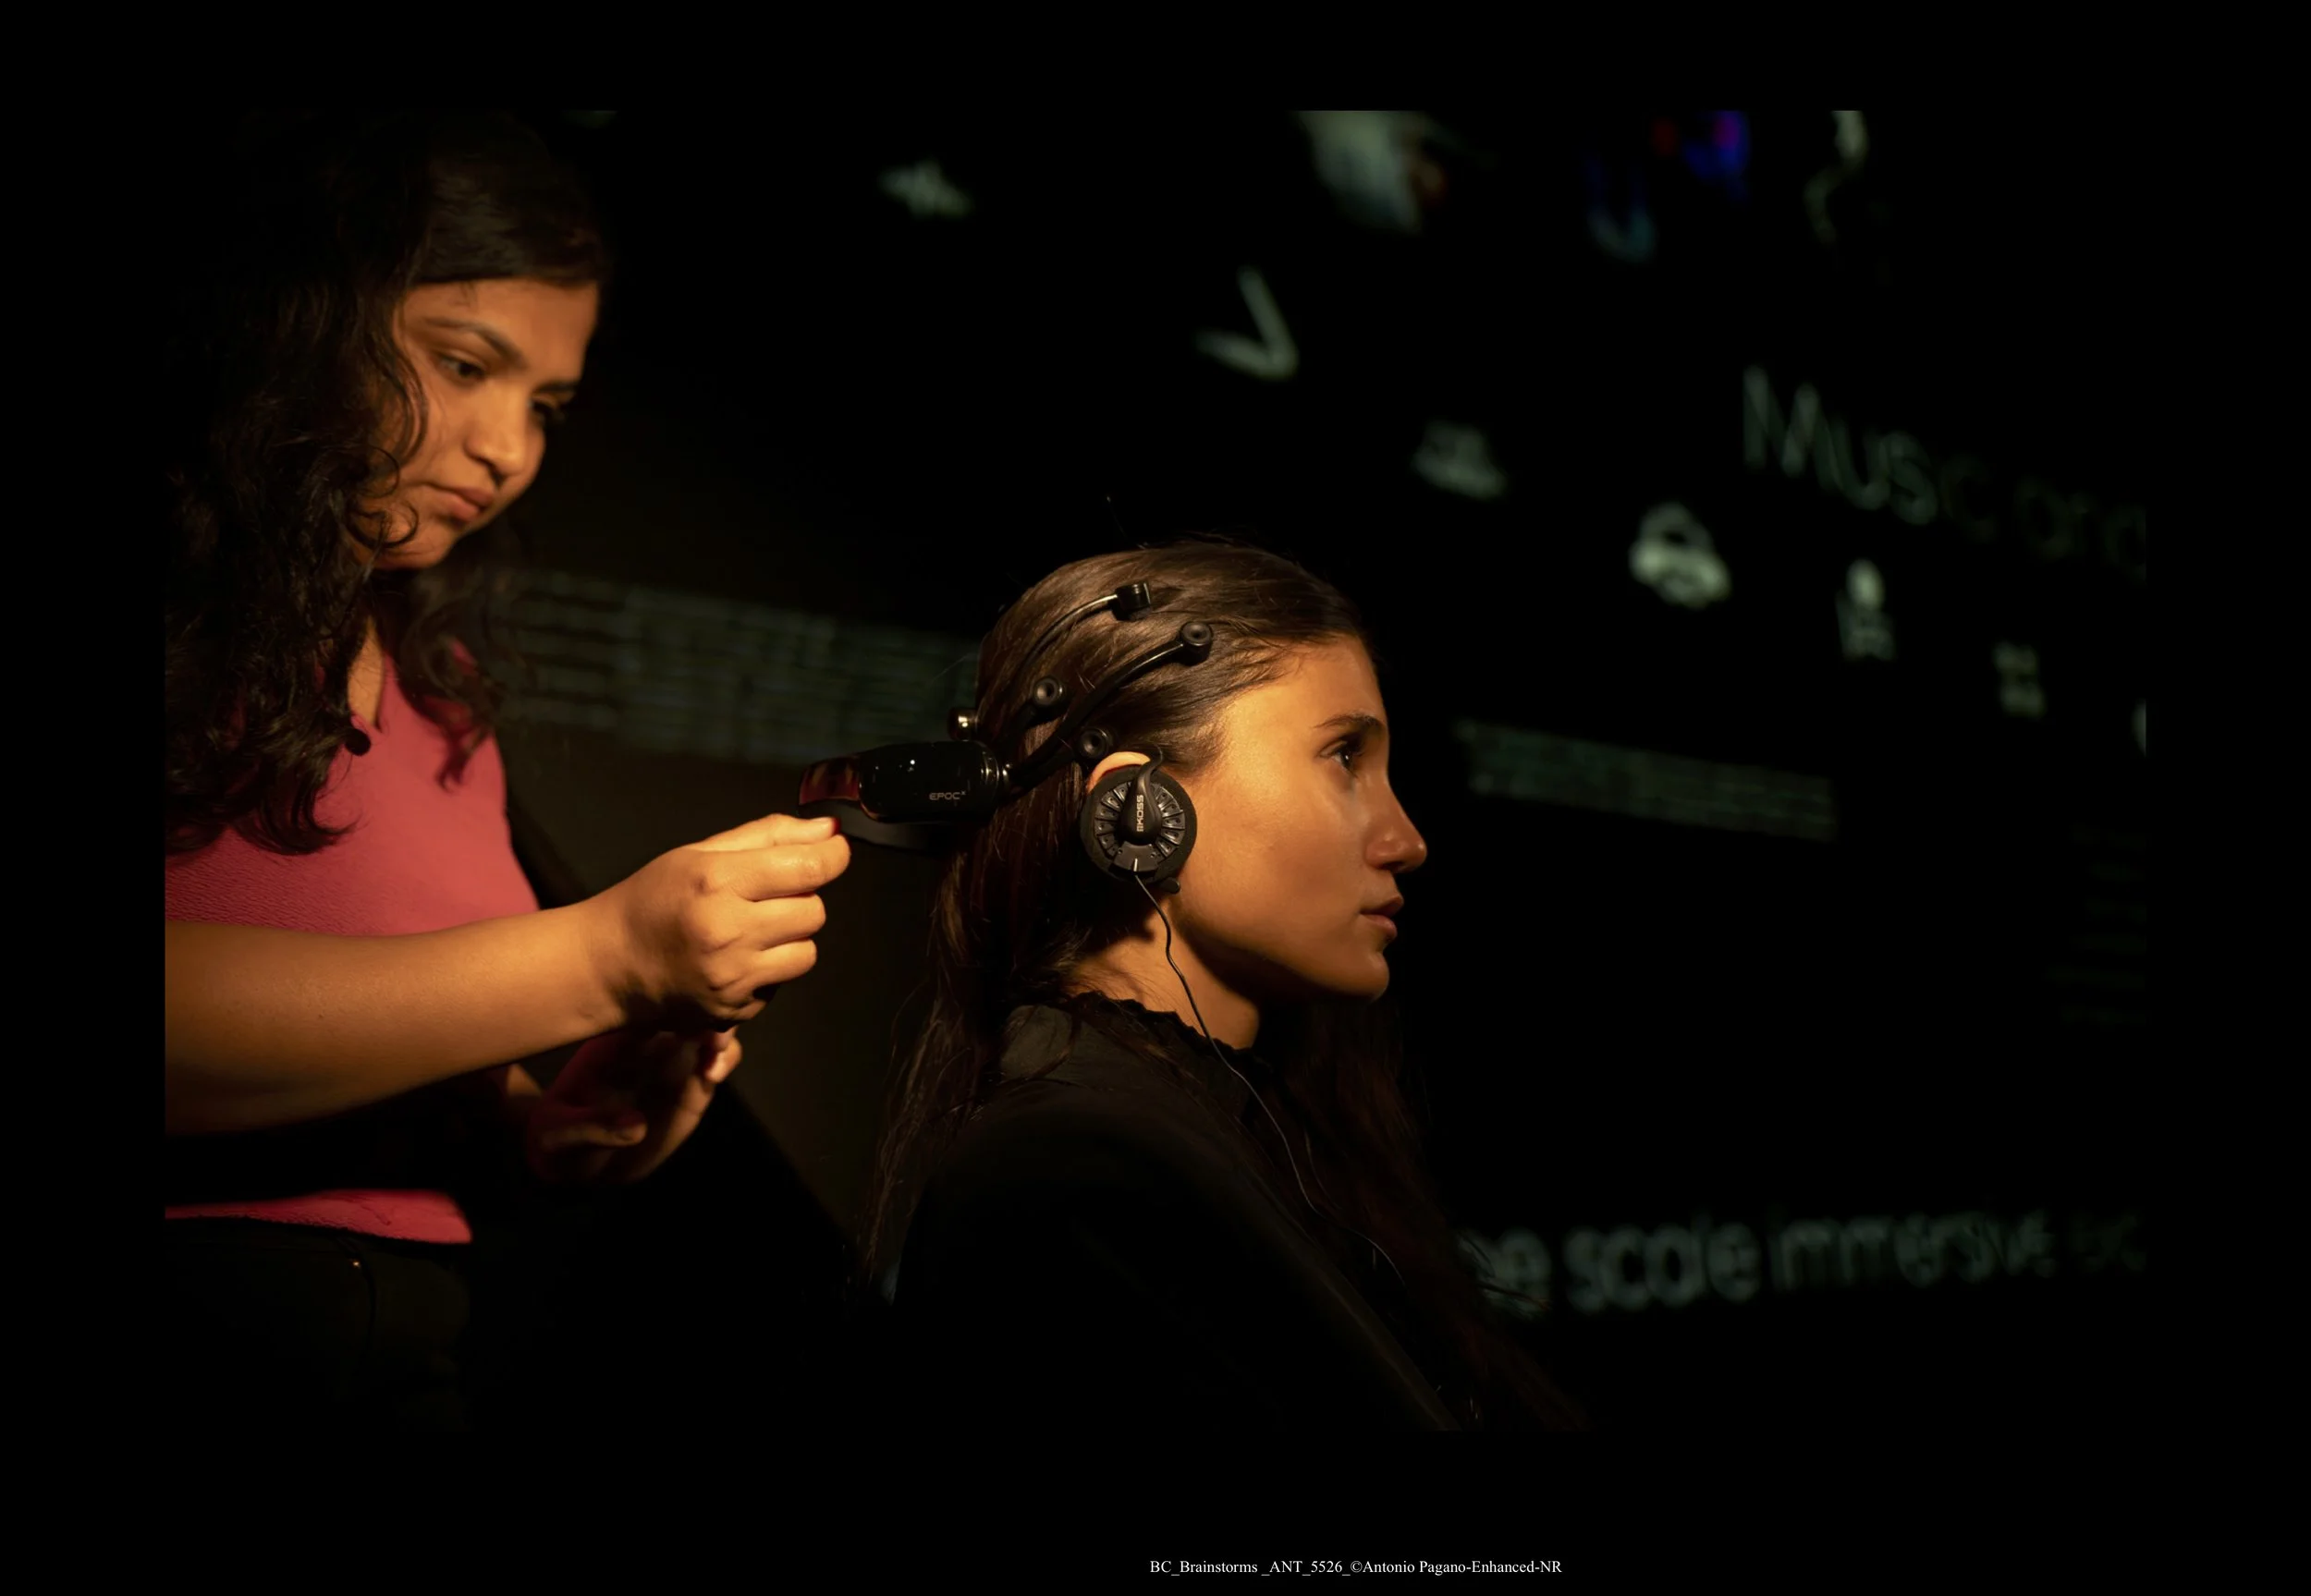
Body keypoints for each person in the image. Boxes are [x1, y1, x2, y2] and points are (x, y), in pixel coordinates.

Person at [162, 110, 850, 1430]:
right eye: (462, 363)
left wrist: (552, 1114)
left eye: (544, 405)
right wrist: (599, 960)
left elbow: (390, 1039)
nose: (508, 449)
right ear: (301, 312)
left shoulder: (441, 694)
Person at [862, 542, 1585, 1431]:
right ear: (1143, 814)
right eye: (1345, 758)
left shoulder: (1245, 1129)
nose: (1406, 838)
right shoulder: (1073, 1169)